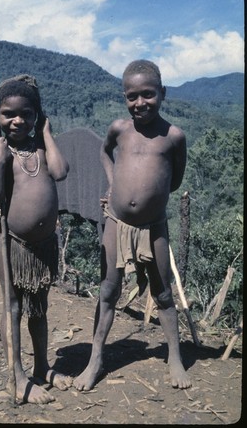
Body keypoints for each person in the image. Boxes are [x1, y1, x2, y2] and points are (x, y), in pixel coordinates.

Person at [73, 60, 191, 392]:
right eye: (132, 96)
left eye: (148, 94)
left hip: (153, 226)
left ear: (162, 93)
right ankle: (95, 358)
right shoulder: (119, 129)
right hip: (116, 221)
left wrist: (150, 199)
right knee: (108, 290)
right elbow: (104, 153)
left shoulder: (173, 137)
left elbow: (175, 180)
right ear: (125, 97)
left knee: (163, 292)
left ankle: (175, 356)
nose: (140, 103)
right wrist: (113, 188)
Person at [0, 74, 71, 404]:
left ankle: (43, 365)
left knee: (40, 309)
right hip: (12, 243)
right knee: (13, 307)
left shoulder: (42, 150)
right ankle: (17, 377)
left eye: (27, 114)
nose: (18, 120)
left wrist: (46, 133)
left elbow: (60, 172)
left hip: (43, 247)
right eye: (8, 114)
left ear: (37, 115)